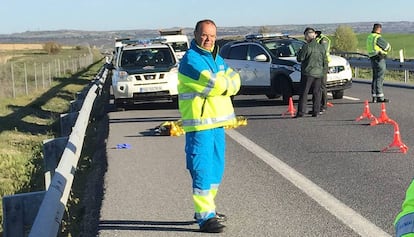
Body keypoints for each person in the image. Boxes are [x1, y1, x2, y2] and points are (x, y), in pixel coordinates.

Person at [177, 19, 241, 233]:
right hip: (200, 126)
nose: (209, 40)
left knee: (216, 170)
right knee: (202, 169)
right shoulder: (190, 60)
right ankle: (205, 217)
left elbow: (235, 80)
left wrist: (225, 83)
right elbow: (211, 84)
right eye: (205, 35)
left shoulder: (216, 57)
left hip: (217, 124)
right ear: (195, 35)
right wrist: (225, 85)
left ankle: (208, 210)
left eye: (212, 36)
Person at [295, 27, 328, 118]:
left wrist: (299, 52)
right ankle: (316, 111)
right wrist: (323, 72)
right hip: (319, 73)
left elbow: (300, 58)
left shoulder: (306, 47)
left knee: (304, 93)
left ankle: (301, 112)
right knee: (317, 92)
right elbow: (325, 61)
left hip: (308, 73)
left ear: (307, 36)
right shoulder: (321, 47)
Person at [366, 23, 392, 103]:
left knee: (375, 78)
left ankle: (374, 97)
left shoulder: (369, 37)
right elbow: (388, 47)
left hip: (372, 59)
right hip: (379, 58)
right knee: (379, 78)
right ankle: (380, 97)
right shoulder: (377, 37)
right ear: (379, 29)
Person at [315, 30, 331, 113]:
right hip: (317, 64)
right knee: (317, 86)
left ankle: (323, 105)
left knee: (322, 85)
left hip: (323, 64)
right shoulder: (316, 39)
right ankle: (317, 106)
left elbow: (322, 52)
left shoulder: (323, 40)